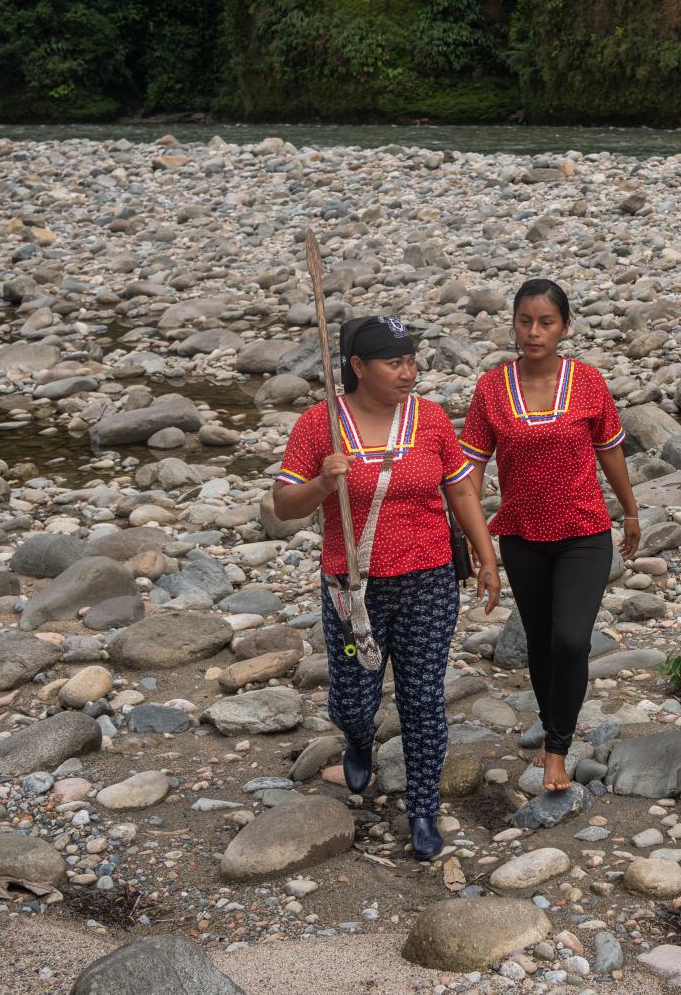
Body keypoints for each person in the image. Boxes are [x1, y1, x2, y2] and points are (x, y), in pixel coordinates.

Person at [271, 315, 499, 862]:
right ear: (357, 367)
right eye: (394, 363)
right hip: (353, 587)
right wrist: (324, 483)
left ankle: (421, 808)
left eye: (410, 360)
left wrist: (486, 556)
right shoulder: (318, 426)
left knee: (422, 698)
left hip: (428, 579)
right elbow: (283, 507)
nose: (408, 372)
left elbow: (461, 492)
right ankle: (357, 740)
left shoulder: (430, 419)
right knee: (353, 700)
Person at [460, 279, 640, 793]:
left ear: (564, 327)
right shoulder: (492, 388)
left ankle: (557, 748)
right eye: (525, 321)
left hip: (584, 531)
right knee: (539, 641)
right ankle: (552, 721)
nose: (533, 332)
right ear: (513, 323)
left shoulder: (586, 382)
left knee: (571, 638)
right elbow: (471, 465)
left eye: (546, 322)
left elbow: (609, 451)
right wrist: (476, 535)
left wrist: (629, 511)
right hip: (521, 533)